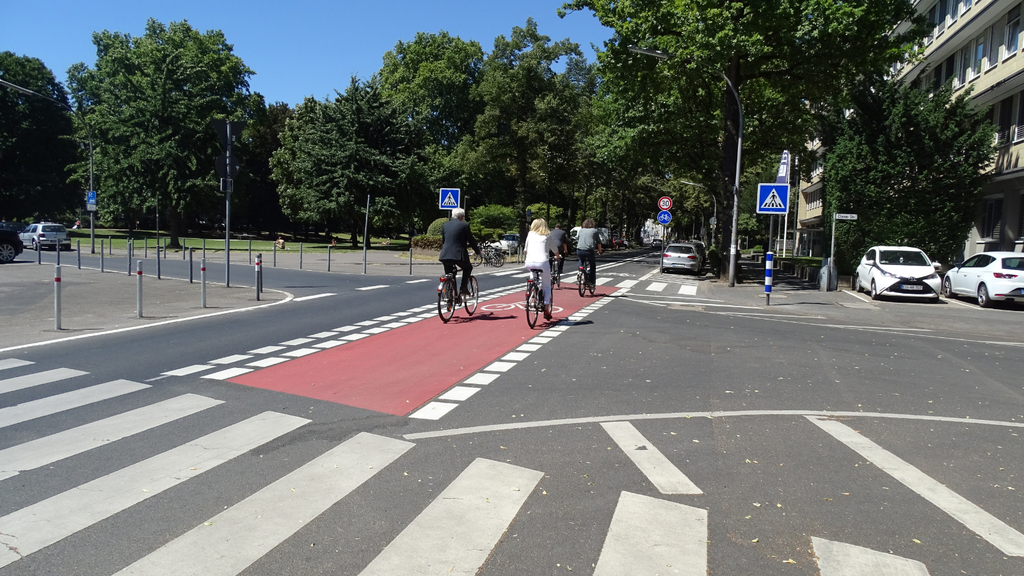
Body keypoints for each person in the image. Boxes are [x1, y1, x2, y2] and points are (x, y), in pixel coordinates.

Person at [439, 208, 481, 297]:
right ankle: (463, 288)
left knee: (449, 274)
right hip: (458, 255)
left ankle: (450, 297)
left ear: (452, 216)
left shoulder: (445, 225)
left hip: (445, 255)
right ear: (462, 217)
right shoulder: (464, 226)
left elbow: (443, 240)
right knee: (468, 268)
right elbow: (471, 240)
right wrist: (477, 251)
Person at [523, 218, 560, 320]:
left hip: (529, 263)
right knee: (547, 285)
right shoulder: (547, 235)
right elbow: (554, 248)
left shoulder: (530, 234)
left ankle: (532, 296)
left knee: (533, 278)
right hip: (543, 263)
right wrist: (557, 255)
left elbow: (526, 250)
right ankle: (546, 308)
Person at [576, 218, 602, 288]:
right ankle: (591, 282)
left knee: (581, 258)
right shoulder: (594, 231)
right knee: (592, 265)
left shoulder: (581, 230)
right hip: (589, 250)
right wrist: (599, 250)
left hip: (579, 249)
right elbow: (598, 242)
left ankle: (580, 271)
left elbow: (577, 239)